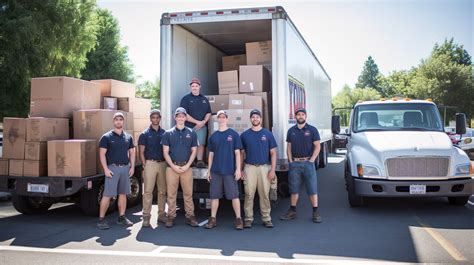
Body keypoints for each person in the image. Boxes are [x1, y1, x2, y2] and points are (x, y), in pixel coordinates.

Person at [280, 108, 322, 223]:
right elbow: (288, 147)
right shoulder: (291, 131)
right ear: (296, 117)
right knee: (293, 188)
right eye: (298, 114)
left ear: (306, 116)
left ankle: (315, 212)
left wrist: (312, 160)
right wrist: (290, 161)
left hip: (308, 163)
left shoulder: (312, 130)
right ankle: (292, 211)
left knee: (312, 188)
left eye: (303, 114)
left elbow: (318, 146)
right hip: (295, 164)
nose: (300, 116)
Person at [205, 110, 244, 230]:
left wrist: (238, 169)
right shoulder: (213, 136)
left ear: (227, 119)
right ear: (217, 119)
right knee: (214, 196)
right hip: (216, 171)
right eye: (219, 117)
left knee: (234, 196)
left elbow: (238, 153)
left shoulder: (233, 134)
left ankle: (238, 219)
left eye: (223, 117)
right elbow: (211, 155)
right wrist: (209, 170)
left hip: (229, 171)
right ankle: (213, 219)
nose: (221, 119)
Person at [161, 107, 199, 228]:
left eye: (183, 116)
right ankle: (171, 216)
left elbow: (194, 151)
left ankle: (190, 216)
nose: (181, 118)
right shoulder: (168, 133)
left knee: (188, 194)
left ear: (185, 117)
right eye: (178, 116)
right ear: (175, 117)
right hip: (172, 168)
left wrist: (188, 165)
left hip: (187, 167)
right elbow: (165, 152)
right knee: (171, 194)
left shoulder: (192, 133)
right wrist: (173, 166)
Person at [97, 112, 135, 230]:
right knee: (107, 194)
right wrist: (106, 169)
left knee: (123, 193)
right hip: (112, 169)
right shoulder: (106, 137)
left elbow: (132, 152)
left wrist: (132, 167)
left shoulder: (128, 137)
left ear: (123, 122)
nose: (118, 121)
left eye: (120, 119)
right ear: (113, 121)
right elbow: (102, 154)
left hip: (125, 168)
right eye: (116, 119)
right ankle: (101, 219)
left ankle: (122, 217)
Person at [240, 109, 278, 228]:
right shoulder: (245, 135)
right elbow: (241, 154)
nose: (255, 119)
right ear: (250, 119)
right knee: (249, 194)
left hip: (264, 168)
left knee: (264, 194)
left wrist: (272, 170)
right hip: (249, 168)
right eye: (253, 117)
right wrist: (240, 169)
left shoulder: (268, 134)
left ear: (261, 119)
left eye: (257, 117)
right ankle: (248, 218)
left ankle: (266, 218)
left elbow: (273, 153)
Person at [138, 109, 167, 228]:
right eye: (153, 117)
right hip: (150, 163)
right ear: (150, 118)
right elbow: (141, 152)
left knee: (162, 191)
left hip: (163, 164)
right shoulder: (144, 134)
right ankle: (146, 217)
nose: (155, 119)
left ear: (160, 119)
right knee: (148, 191)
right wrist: (144, 165)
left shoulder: (165, 133)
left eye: (157, 117)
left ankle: (161, 215)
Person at [179, 78, 212, 168]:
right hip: (189, 126)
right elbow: (183, 113)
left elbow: (209, 112)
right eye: (192, 86)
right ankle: (190, 160)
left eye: (196, 86)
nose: (194, 88)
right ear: (190, 87)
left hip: (202, 126)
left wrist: (204, 122)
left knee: (201, 143)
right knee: (189, 144)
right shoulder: (185, 99)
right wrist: (197, 122)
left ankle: (199, 160)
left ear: (200, 87)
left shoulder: (204, 99)